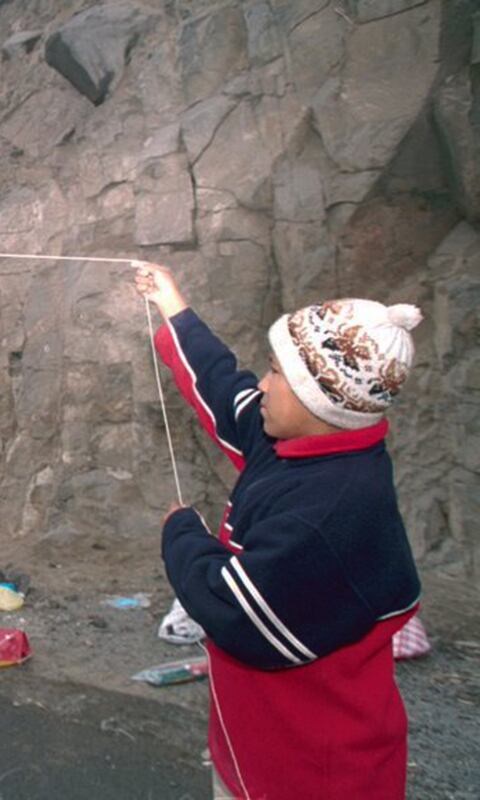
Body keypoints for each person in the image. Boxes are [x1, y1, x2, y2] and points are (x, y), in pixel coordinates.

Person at [134, 262, 422, 800]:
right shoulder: (301, 444)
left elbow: (232, 610)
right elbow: (227, 390)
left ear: (321, 401)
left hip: (313, 777)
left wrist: (182, 532)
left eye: (275, 373)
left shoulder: (333, 510)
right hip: (256, 757)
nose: (261, 384)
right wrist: (172, 306)